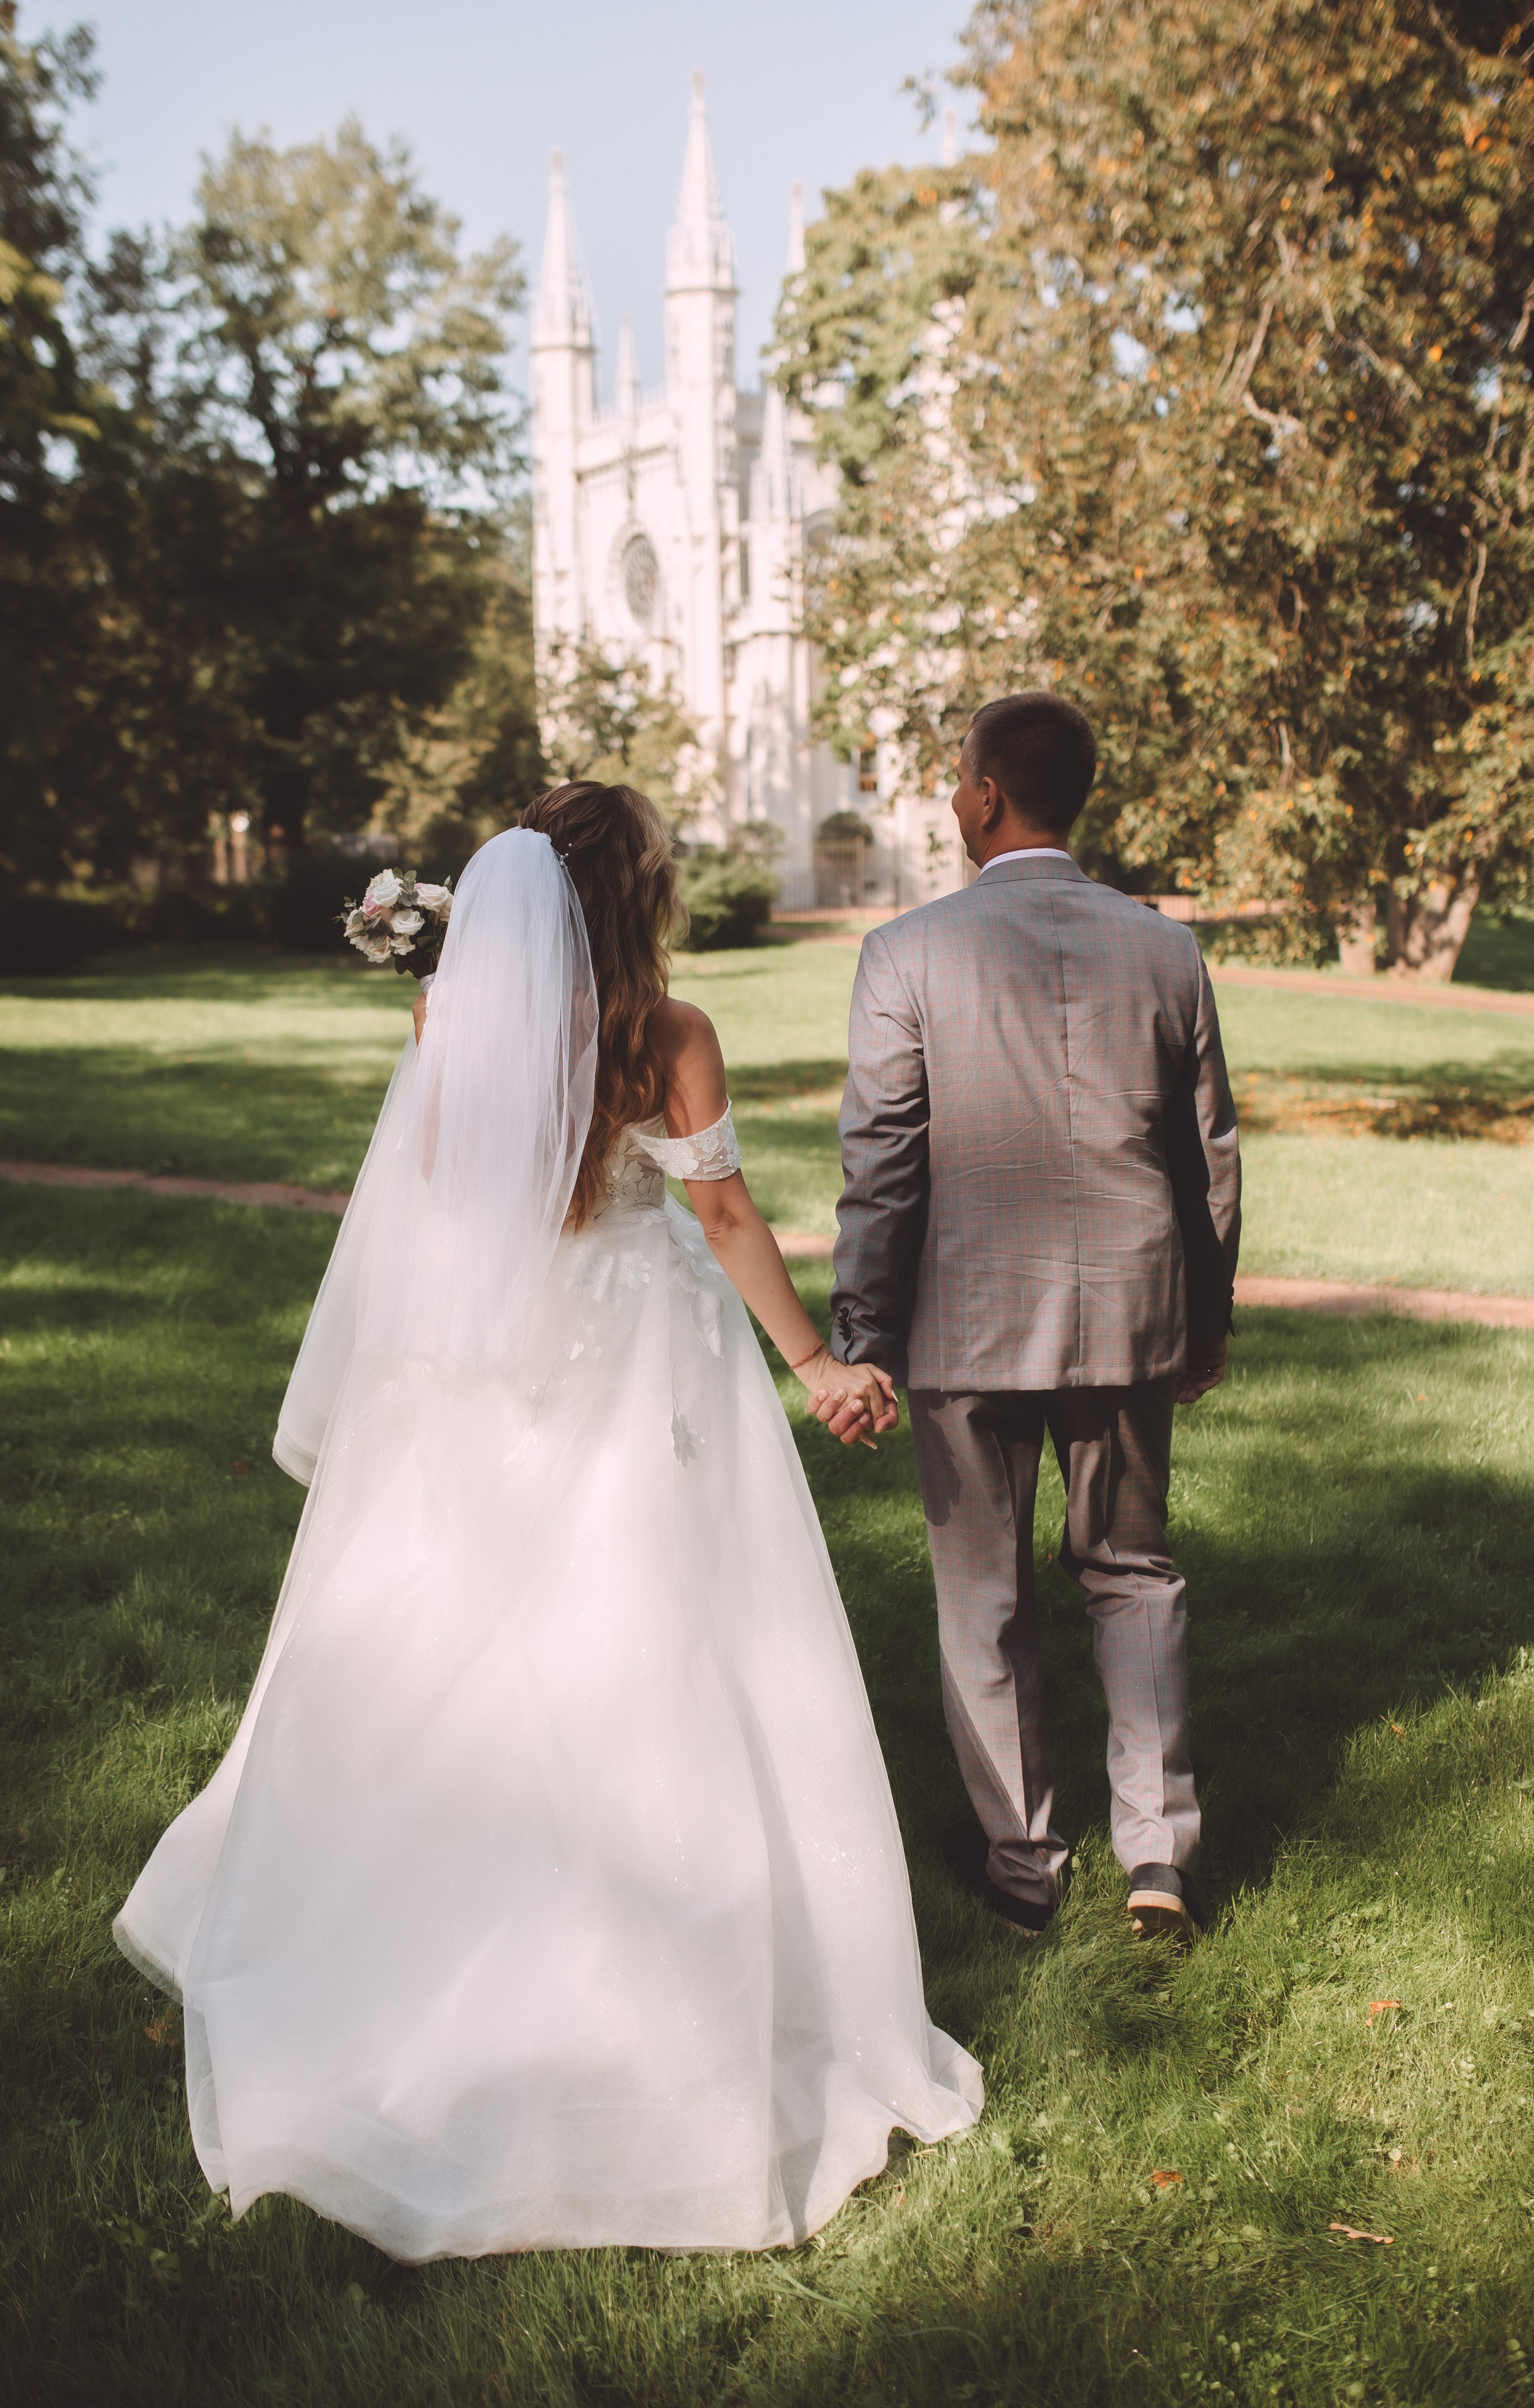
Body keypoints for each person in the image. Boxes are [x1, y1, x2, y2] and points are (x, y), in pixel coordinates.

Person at [113, 781, 980, 2263]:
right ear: (630, 894)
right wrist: (819, 1364)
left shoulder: (445, 1026)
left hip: (490, 1365)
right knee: (658, 1646)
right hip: (643, 1349)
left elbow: (451, 1204)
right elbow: (720, 1220)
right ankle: (663, 1993)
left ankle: (435, 1931)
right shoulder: (668, 1037)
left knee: (476, 1643)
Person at [818, 693, 1241, 1944]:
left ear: (987, 794)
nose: (952, 798)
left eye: (956, 778)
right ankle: (1155, 1857)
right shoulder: (1163, 950)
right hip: (1127, 1308)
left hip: (963, 1324)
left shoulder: (905, 951)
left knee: (982, 1599)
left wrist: (862, 1331)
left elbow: (881, 1165)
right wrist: (1201, 1317)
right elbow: (1205, 1154)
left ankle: (1023, 1862)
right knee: (1132, 1576)